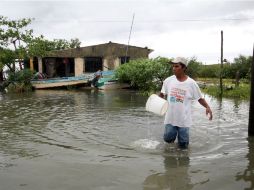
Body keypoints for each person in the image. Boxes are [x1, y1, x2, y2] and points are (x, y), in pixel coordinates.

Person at [159, 57, 213, 149]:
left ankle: (183, 162)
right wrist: (156, 101)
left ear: (184, 68)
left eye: (176, 66)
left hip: (184, 120)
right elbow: (162, 94)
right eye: (173, 66)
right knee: (168, 141)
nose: (174, 68)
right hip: (170, 118)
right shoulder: (168, 81)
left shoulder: (191, 83)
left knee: (183, 146)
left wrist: (207, 107)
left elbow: (199, 98)